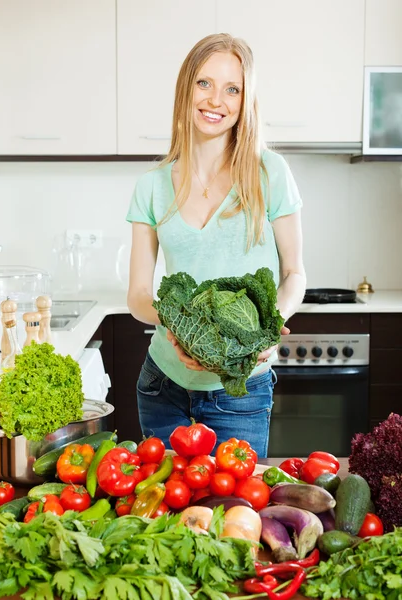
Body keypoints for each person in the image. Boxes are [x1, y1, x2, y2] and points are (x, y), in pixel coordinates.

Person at [126, 33, 306, 458]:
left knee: (235, 517)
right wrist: (178, 331)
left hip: (240, 390)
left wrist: (263, 332)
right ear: (186, 88)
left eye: (233, 89)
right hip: (162, 386)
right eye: (204, 83)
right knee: (167, 517)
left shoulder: (270, 174)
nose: (216, 100)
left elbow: (295, 273)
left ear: (246, 102)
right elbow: (137, 295)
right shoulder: (150, 187)